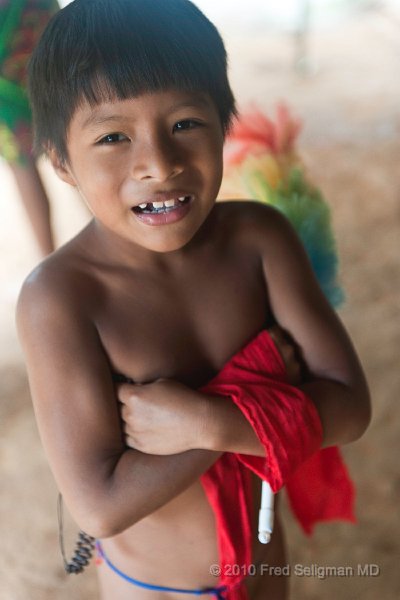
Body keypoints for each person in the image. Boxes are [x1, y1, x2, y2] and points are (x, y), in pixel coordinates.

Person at [16, 1, 371, 599]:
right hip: (153, 590)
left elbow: (352, 408)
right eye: (112, 137)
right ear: (61, 163)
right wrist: (263, 396)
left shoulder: (260, 239)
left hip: (264, 568)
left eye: (184, 124)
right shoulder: (61, 299)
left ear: (223, 122)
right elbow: (102, 505)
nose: (159, 163)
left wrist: (207, 421)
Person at [0, 0, 58, 256]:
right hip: (32, 15)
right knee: (73, 132)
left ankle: (48, 257)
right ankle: (115, 237)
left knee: (22, 163)